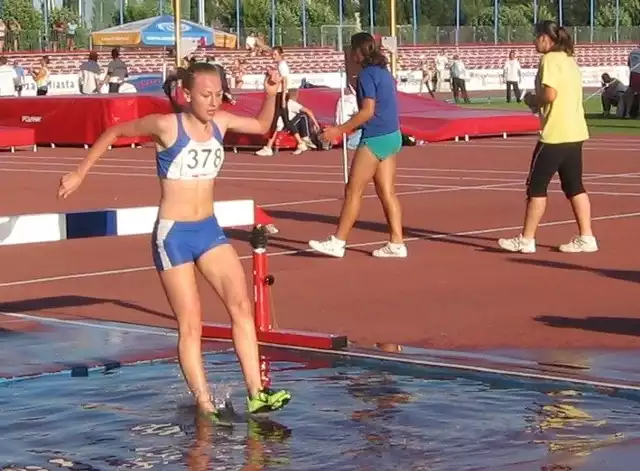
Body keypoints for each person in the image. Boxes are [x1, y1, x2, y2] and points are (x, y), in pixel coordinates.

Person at [57, 62, 292, 423]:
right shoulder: (166, 126)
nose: (213, 102)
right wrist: (80, 171)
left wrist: (271, 94)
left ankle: (256, 393)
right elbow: (114, 131)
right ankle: (205, 405)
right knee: (191, 323)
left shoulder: (222, 123)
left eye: (218, 95)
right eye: (205, 95)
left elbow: (262, 126)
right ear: (186, 94)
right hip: (175, 236)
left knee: (241, 307)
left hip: (209, 230)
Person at [498, 20, 598, 254]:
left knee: (536, 186)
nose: (533, 40)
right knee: (574, 185)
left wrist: (534, 99)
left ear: (546, 38)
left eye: (536, 36)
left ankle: (527, 239)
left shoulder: (550, 60)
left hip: (555, 134)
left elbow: (550, 93)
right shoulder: (569, 60)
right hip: (575, 132)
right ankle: (587, 236)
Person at [308, 32, 407, 258]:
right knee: (387, 192)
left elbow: (368, 111)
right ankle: (397, 242)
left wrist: (338, 131)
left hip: (376, 137)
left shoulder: (366, 75)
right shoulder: (383, 72)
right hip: (393, 135)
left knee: (353, 190)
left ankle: (338, 241)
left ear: (357, 51)